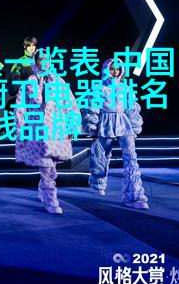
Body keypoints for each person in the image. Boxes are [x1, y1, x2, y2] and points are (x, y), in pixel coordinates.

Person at [14, 48, 80, 214]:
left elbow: (71, 105)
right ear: (35, 61)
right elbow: (20, 108)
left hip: (56, 129)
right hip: (37, 129)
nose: (44, 62)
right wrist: (21, 129)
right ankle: (51, 198)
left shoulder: (59, 81)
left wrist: (72, 126)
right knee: (46, 165)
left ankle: (43, 188)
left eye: (46, 59)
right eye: (40, 59)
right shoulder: (29, 82)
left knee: (52, 166)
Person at [81, 58, 149, 210]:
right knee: (102, 156)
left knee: (131, 157)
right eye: (112, 68)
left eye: (117, 69)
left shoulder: (125, 88)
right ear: (106, 69)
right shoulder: (98, 87)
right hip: (106, 123)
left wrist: (134, 125)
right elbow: (92, 107)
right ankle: (98, 182)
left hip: (123, 123)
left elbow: (131, 107)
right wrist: (92, 125)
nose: (115, 71)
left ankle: (134, 195)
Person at [7, 36, 38, 105]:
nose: (31, 48)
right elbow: (12, 79)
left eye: (33, 45)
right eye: (29, 46)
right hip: (26, 96)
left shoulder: (40, 59)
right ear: (25, 46)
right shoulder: (20, 62)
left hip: (39, 97)